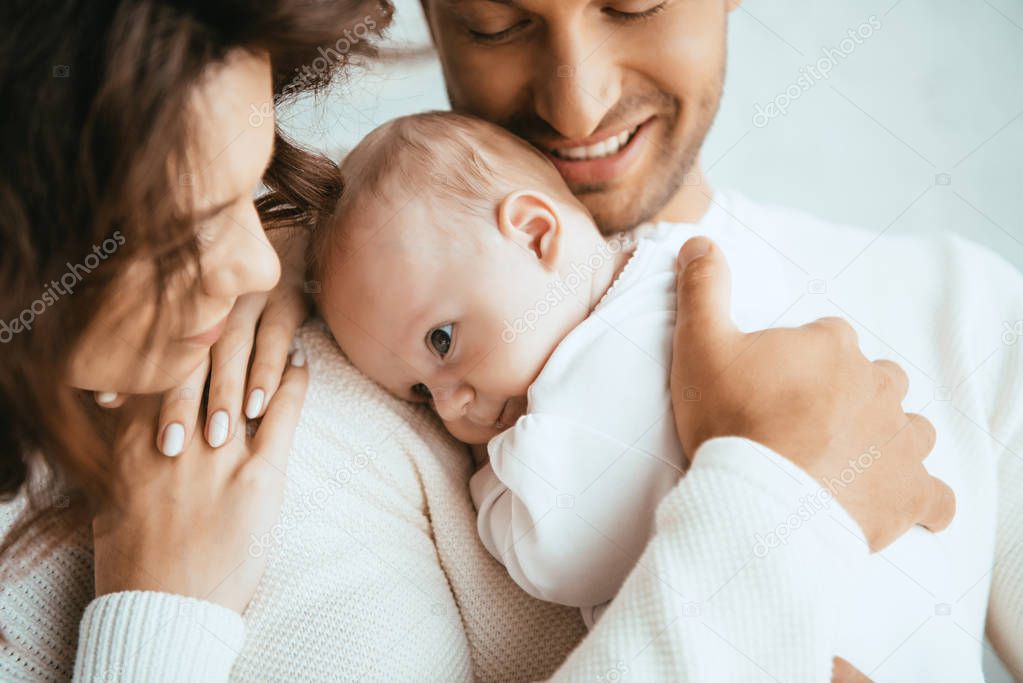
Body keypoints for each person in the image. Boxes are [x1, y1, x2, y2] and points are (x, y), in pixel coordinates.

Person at [0, 3, 1007, 683]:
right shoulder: (295, 374)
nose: (578, 100)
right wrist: (782, 498)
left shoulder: (967, 307)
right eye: (498, 21)